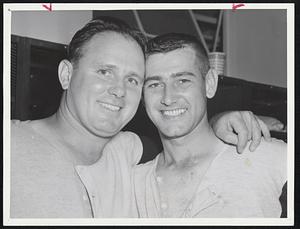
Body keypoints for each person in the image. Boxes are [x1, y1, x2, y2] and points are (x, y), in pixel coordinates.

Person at [10, 17, 269, 218]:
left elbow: (181, 140)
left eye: (133, 79)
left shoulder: (127, 151)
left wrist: (220, 121)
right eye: (104, 71)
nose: (119, 90)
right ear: (66, 75)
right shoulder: (11, 144)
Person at [134, 33, 287, 218]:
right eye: (155, 84)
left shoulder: (262, 154)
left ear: (210, 83)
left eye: (183, 81)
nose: (168, 98)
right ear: (142, 97)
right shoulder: (133, 184)